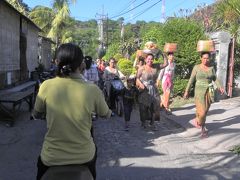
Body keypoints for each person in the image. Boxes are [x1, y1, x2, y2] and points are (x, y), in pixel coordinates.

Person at [32, 43, 112, 180]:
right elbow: (106, 113)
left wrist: (38, 115)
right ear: (82, 65)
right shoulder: (92, 89)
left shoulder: (46, 86)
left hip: (51, 157)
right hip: (84, 156)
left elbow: (37, 113)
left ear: (56, 62)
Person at [183, 52, 224, 137]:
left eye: (207, 58)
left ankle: (198, 119)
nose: (206, 60)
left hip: (209, 91)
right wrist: (186, 91)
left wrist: (220, 87)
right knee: (202, 112)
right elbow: (191, 80)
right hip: (199, 92)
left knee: (205, 110)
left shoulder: (211, 68)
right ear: (201, 58)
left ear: (210, 59)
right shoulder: (196, 67)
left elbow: (215, 78)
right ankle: (203, 128)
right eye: (204, 58)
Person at [136, 53, 168, 130]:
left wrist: (163, 55)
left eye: (151, 59)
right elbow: (137, 78)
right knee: (144, 107)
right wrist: (140, 84)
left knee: (155, 106)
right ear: (145, 59)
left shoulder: (156, 66)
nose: (150, 60)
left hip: (154, 88)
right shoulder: (142, 68)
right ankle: (143, 122)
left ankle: (152, 123)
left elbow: (166, 64)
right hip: (145, 90)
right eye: (148, 59)